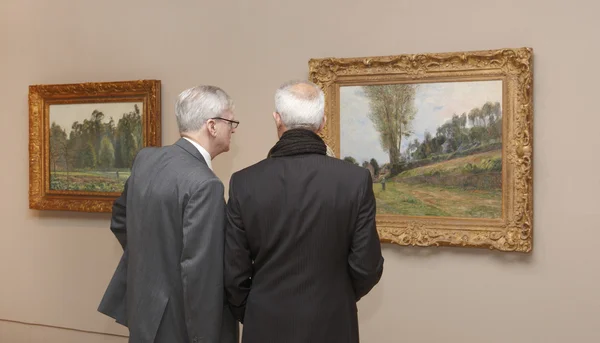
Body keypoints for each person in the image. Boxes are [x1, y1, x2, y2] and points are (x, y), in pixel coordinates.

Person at [224, 80, 384, 343]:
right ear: (322, 122)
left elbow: (234, 274)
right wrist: (335, 298)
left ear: (277, 120)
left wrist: (256, 310)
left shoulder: (244, 183)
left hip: (265, 325)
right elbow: (367, 266)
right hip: (333, 324)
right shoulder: (354, 180)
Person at [98, 85, 240, 343]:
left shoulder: (146, 159)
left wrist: (152, 262)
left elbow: (120, 220)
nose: (233, 129)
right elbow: (200, 274)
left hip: (144, 308)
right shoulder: (206, 184)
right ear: (212, 126)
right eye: (231, 122)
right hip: (180, 325)